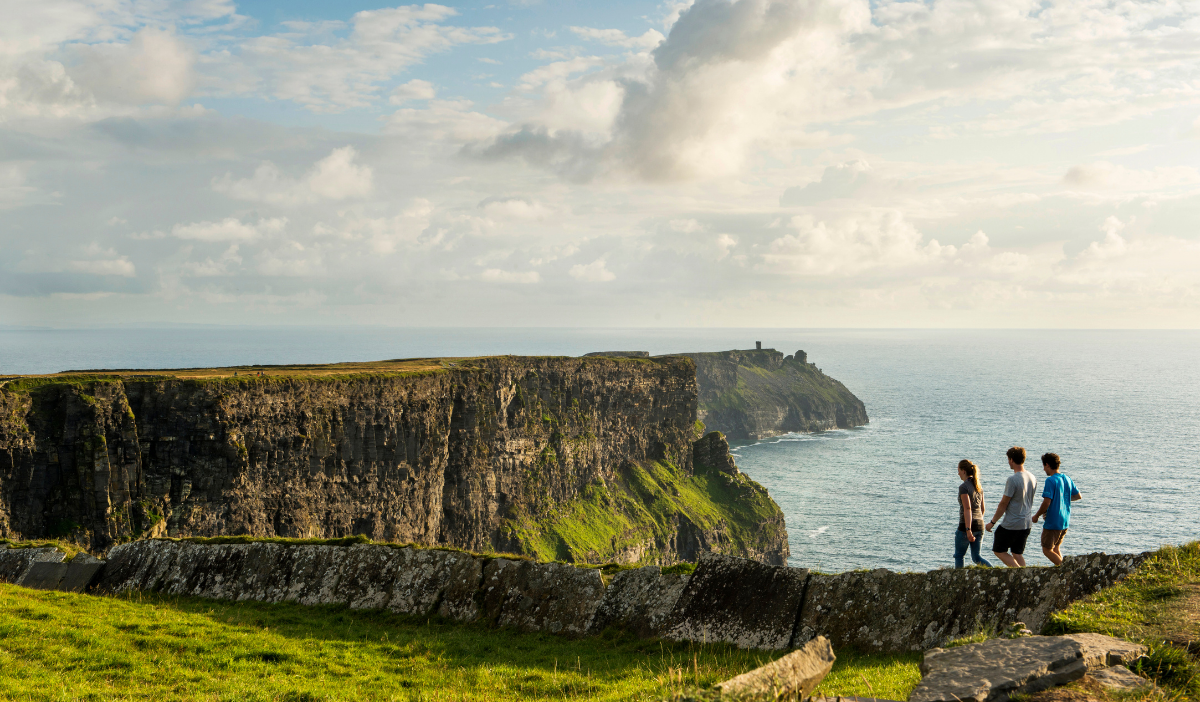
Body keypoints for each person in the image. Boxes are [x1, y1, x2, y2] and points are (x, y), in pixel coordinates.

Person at [985, 446, 1038, 567]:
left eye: (1008, 459)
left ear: (1012, 460)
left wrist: (992, 522)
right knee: (1017, 552)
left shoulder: (1013, 479)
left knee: (998, 549)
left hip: (1013, 523)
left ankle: (1018, 572)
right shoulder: (1032, 477)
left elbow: (1003, 503)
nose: (1008, 462)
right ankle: (1026, 577)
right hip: (1026, 523)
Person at [1031, 452, 1081, 565]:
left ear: (1047, 465)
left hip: (1053, 521)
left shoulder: (1051, 480)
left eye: (1044, 466)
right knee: (1056, 549)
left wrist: (1036, 516)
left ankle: (1067, 571)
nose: (1044, 469)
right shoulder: (1067, 478)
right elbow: (1078, 496)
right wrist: (1063, 499)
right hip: (1065, 521)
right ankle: (1064, 570)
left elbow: (1046, 502)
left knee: (1047, 550)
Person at [954, 459, 993, 568]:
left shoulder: (963, 487)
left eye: (959, 470)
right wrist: (977, 523)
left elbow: (967, 508)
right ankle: (992, 571)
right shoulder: (978, 486)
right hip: (979, 524)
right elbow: (982, 509)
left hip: (966, 526)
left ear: (964, 471)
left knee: (959, 555)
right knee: (976, 557)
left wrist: (968, 530)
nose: (958, 473)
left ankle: (959, 582)